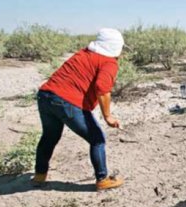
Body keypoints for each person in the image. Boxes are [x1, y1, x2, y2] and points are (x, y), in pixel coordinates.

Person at [32, 28, 125, 191]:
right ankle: (102, 179)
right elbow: (102, 89)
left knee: (49, 136)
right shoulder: (108, 62)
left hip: (45, 96)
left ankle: (40, 175)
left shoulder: (83, 54)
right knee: (97, 139)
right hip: (66, 101)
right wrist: (108, 116)